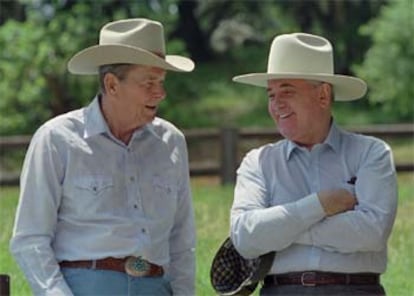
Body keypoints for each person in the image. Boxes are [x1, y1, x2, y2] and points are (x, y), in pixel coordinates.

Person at [10, 18, 196, 296]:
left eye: (161, 81)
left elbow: (182, 241)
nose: (160, 92)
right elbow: (30, 238)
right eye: (149, 82)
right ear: (111, 85)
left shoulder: (172, 142)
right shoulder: (56, 139)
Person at [229, 32, 398, 296]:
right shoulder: (258, 162)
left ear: (322, 95)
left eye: (287, 91)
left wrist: (280, 226)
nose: (276, 104)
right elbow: (245, 238)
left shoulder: (371, 153)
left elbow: (372, 233)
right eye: (271, 95)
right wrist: (321, 204)